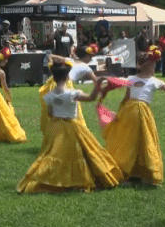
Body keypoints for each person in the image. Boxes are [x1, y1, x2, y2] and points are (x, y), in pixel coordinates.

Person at [17, 59, 123, 193]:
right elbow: (91, 98)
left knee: (54, 154)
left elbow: (50, 113)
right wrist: (98, 84)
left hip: (56, 128)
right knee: (80, 153)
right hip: (72, 126)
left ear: (53, 78)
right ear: (67, 77)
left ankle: (51, 179)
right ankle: (77, 181)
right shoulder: (73, 93)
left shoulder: (49, 96)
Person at [102, 46, 165, 186]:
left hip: (130, 111)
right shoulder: (152, 81)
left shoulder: (136, 79)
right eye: (154, 64)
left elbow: (127, 97)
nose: (155, 66)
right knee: (143, 141)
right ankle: (137, 173)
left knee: (130, 142)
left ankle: (133, 173)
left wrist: (121, 111)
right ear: (148, 66)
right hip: (140, 112)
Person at [40, 44, 98, 133]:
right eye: (90, 57)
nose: (90, 59)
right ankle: (76, 130)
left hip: (53, 82)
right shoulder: (87, 68)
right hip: (66, 84)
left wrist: (52, 69)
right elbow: (96, 80)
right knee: (74, 110)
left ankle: (53, 129)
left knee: (53, 108)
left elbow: (50, 56)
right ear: (86, 56)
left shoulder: (69, 60)